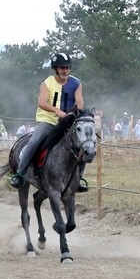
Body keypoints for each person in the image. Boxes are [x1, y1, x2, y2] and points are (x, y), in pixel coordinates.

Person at [10, 52, 85, 189]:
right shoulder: (47, 83)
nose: (66, 71)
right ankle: (20, 173)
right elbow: (42, 103)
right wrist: (57, 111)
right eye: (63, 68)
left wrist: (76, 112)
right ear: (55, 69)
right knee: (35, 141)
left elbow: (80, 103)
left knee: (83, 144)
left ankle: (78, 178)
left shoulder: (76, 83)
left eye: (68, 68)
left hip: (68, 122)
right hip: (48, 121)